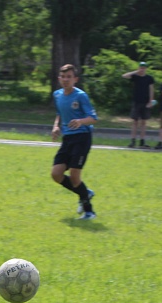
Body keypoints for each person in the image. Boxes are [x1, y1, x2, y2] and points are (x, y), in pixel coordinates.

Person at [51, 64, 98, 220]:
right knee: (56, 174)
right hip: (68, 138)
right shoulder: (57, 95)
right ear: (59, 78)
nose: (65, 80)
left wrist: (80, 121)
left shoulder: (81, 96)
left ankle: (89, 211)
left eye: (69, 77)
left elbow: (93, 118)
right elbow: (59, 113)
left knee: (74, 175)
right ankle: (85, 192)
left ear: (75, 79)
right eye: (63, 77)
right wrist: (56, 126)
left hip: (82, 138)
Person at [122, 62, 154, 148]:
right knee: (135, 122)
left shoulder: (149, 78)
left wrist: (151, 101)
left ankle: (142, 141)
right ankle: (133, 141)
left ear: (146, 69)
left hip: (145, 101)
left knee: (144, 122)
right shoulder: (135, 77)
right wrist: (135, 72)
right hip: (136, 101)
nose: (142, 69)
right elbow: (124, 76)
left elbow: (151, 89)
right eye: (141, 67)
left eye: (144, 68)